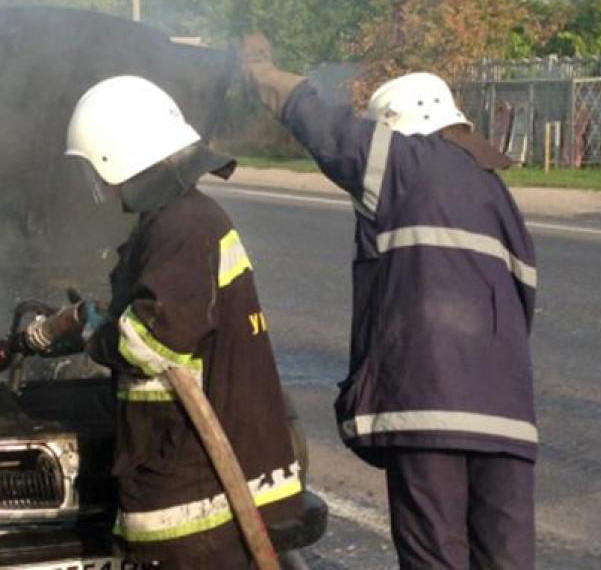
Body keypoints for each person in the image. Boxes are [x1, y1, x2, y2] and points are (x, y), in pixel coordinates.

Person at [239, 34, 537, 569]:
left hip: (428, 407)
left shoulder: (402, 162)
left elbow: (323, 128)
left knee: (434, 556)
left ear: (396, 124)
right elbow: (522, 305)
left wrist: (262, 74)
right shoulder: (499, 194)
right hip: (508, 417)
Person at [65, 75, 304, 569]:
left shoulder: (183, 226)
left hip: (195, 493)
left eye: (98, 171)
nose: (105, 190)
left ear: (118, 156)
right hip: (191, 476)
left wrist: (95, 332)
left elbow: (154, 340)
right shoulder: (183, 219)